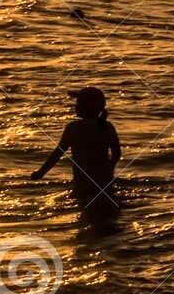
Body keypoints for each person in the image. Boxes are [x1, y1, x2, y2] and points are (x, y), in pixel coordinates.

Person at [31, 85, 121, 215]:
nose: (76, 106)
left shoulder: (73, 128)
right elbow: (117, 154)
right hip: (105, 184)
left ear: (84, 107)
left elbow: (58, 153)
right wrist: (109, 168)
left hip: (82, 185)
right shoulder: (108, 127)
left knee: (86, 219)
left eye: (78, 103)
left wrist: (40, 173)